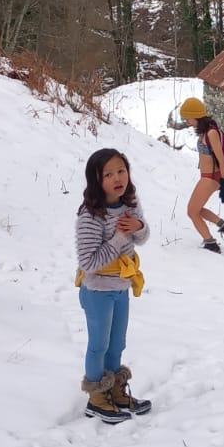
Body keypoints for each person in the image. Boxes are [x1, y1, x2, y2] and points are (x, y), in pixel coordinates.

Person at [74, 148, 151, 424]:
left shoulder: (128, 202)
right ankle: (96, 397)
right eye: (108, 174)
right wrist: (120, 236)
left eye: (121, 171)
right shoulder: (91, 215)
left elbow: (142, 237)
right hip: (97, 292)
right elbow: (89, 262)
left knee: (117, 343)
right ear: (96, 180)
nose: (117, 178)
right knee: (99, 345)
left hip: (122, 287)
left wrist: (138, 225)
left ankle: (115, 391)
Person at [180, 97, 224, 253]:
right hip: (207, 177)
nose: (185, 120)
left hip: (211, 177)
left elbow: (220, 158)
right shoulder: (204, 131)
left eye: (187, 117)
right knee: (196, 210)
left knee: (192, 211)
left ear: (196, 115)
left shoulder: (211, 133)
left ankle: (210, 243)